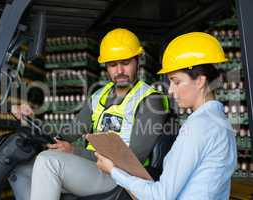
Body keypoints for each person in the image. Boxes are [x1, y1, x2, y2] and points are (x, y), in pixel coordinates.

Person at [10, 28, 171, 200]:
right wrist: (30, 119)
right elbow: (66, 134)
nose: (119, 71)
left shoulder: (151, 100)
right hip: (93, 167)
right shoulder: (98, 96)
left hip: (120, 176)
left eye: (125, 63)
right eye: (112, 65)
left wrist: (75, 152)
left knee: (47, 161)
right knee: (21, 172)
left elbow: (133, 159)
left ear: (137, 60)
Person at [95, 32, 237, 200]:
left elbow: (161, 196)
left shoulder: (199, 126)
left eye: (176, 82)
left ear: (199, 81)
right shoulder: (220, 122)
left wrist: (113, 170)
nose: (170, 90)